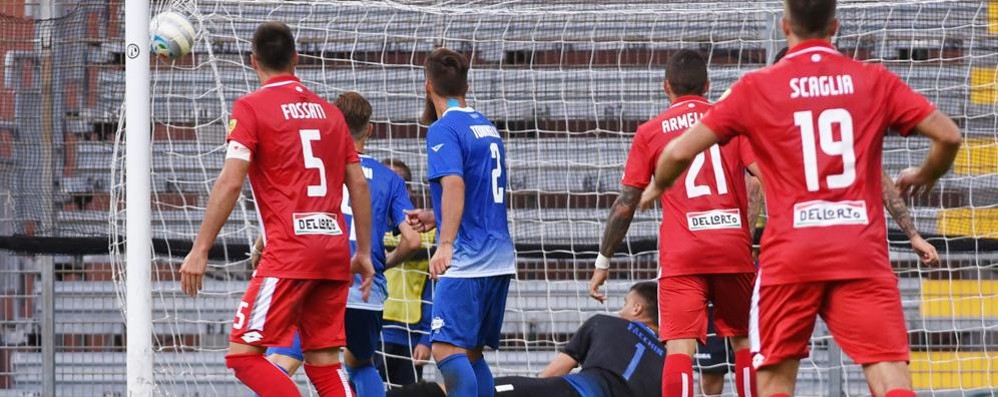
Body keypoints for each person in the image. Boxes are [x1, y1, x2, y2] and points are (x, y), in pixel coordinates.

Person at [637, 1, 962, 396]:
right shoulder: (872, 80)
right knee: (889, 375)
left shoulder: (757, 88)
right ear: (835, 26)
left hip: (791, 251)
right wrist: (924, 174)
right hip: (859, 247)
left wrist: (658, 185)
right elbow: (949, 136)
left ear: (785, 26)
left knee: (773, 379)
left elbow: (677, 153)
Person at [178, 22, 375, 397]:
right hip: (334, 251)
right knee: (325, 366)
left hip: (290, 251)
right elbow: (359, 185)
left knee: (242, 356)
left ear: (253, 62)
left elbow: (231, 181)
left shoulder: (251, 108)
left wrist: (201, 248)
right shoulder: (331, 115)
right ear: (296, 59)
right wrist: (363, 251)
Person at [588, 49, 763, 397]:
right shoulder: (732, 123)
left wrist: (603, 260)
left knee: (680, 347)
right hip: (732, 245)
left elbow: (625, 205)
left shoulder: (650, 132)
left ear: (666, 86)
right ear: (708, 85)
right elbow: (764, 176)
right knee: (744, 341)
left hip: (683, 251)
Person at [263, 92, 423, 397]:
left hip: (318, 284)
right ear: (370, 129)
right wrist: (383, 264)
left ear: (331, 125)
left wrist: (261, 248)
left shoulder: (316, 168)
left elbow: (284, 214)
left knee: (279, 362)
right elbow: (413, 239)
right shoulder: (390, 178)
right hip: (366, 293)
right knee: (361, 365)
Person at [405, 47, 516, 397]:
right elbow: (480, 191)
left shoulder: (444, 128)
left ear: (427, 85)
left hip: (468, 259)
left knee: (446, 351)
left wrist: (446, 242)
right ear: (465, 85)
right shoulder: (485, 125)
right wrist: (436, 215)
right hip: (498, 259)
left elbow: (455, 184)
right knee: (470, 354)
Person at [385, 282, 665, 397]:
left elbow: (556, 371)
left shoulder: (605, 322)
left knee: (475, 391)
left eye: (627, 303)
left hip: (572, 392)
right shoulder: (669, 361)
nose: (622, 309)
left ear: (638, 309)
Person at [378, 159, 435, 388]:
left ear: (408, 190)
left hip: (411, 335)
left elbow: (434, 291)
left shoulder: (429, 236)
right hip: (375, 330)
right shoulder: (366, 226)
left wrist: (426, 338)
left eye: (399, 183)